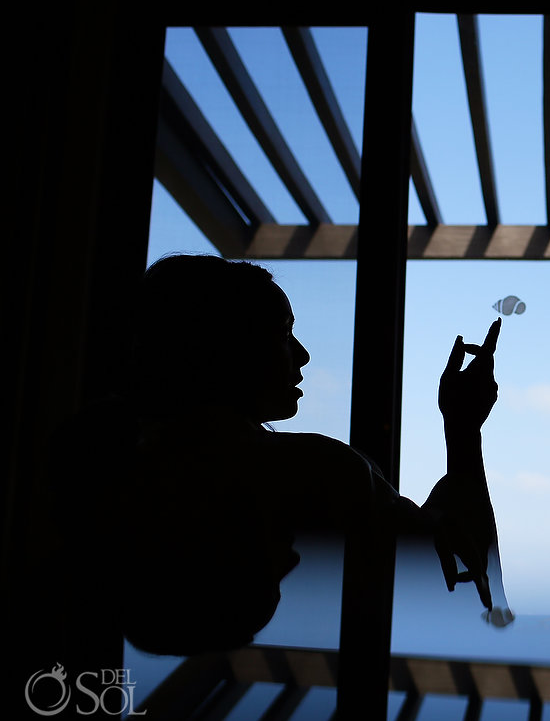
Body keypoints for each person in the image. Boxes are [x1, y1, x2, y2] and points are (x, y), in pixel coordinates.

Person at [41, 253, 508, 656]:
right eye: (282, 333)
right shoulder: (313, 472)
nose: (302, 355)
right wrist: (463, 426)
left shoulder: (106, 464)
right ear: (222, 347)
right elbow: (466, 580)